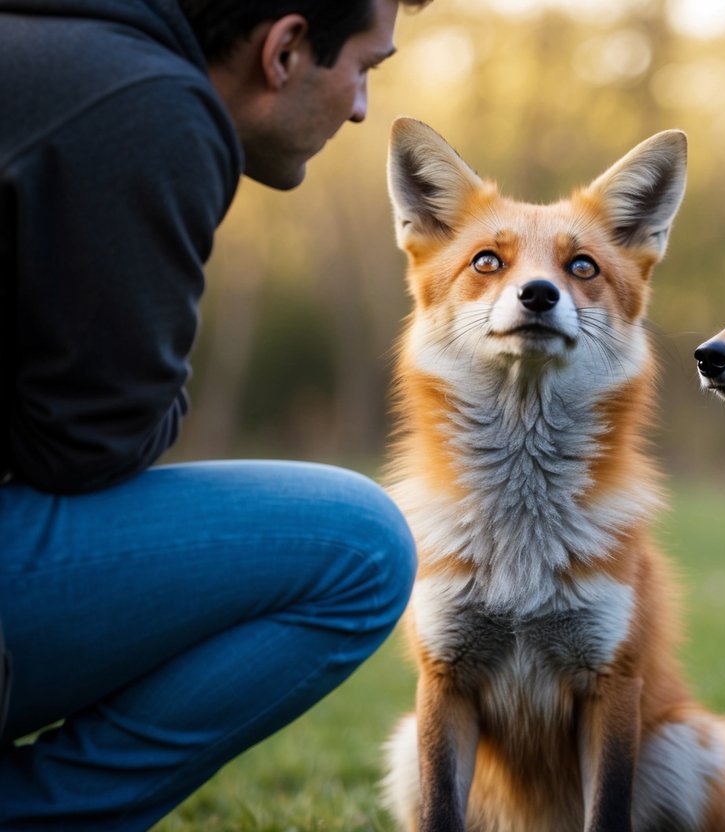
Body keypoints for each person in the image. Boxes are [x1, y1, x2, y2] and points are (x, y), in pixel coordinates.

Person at [0, 0, 431, 826]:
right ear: (285, 49)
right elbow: (94, 443)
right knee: (359, 545)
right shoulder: (146, 109)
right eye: (365, 68)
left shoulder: (49, 48)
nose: (361, 105)